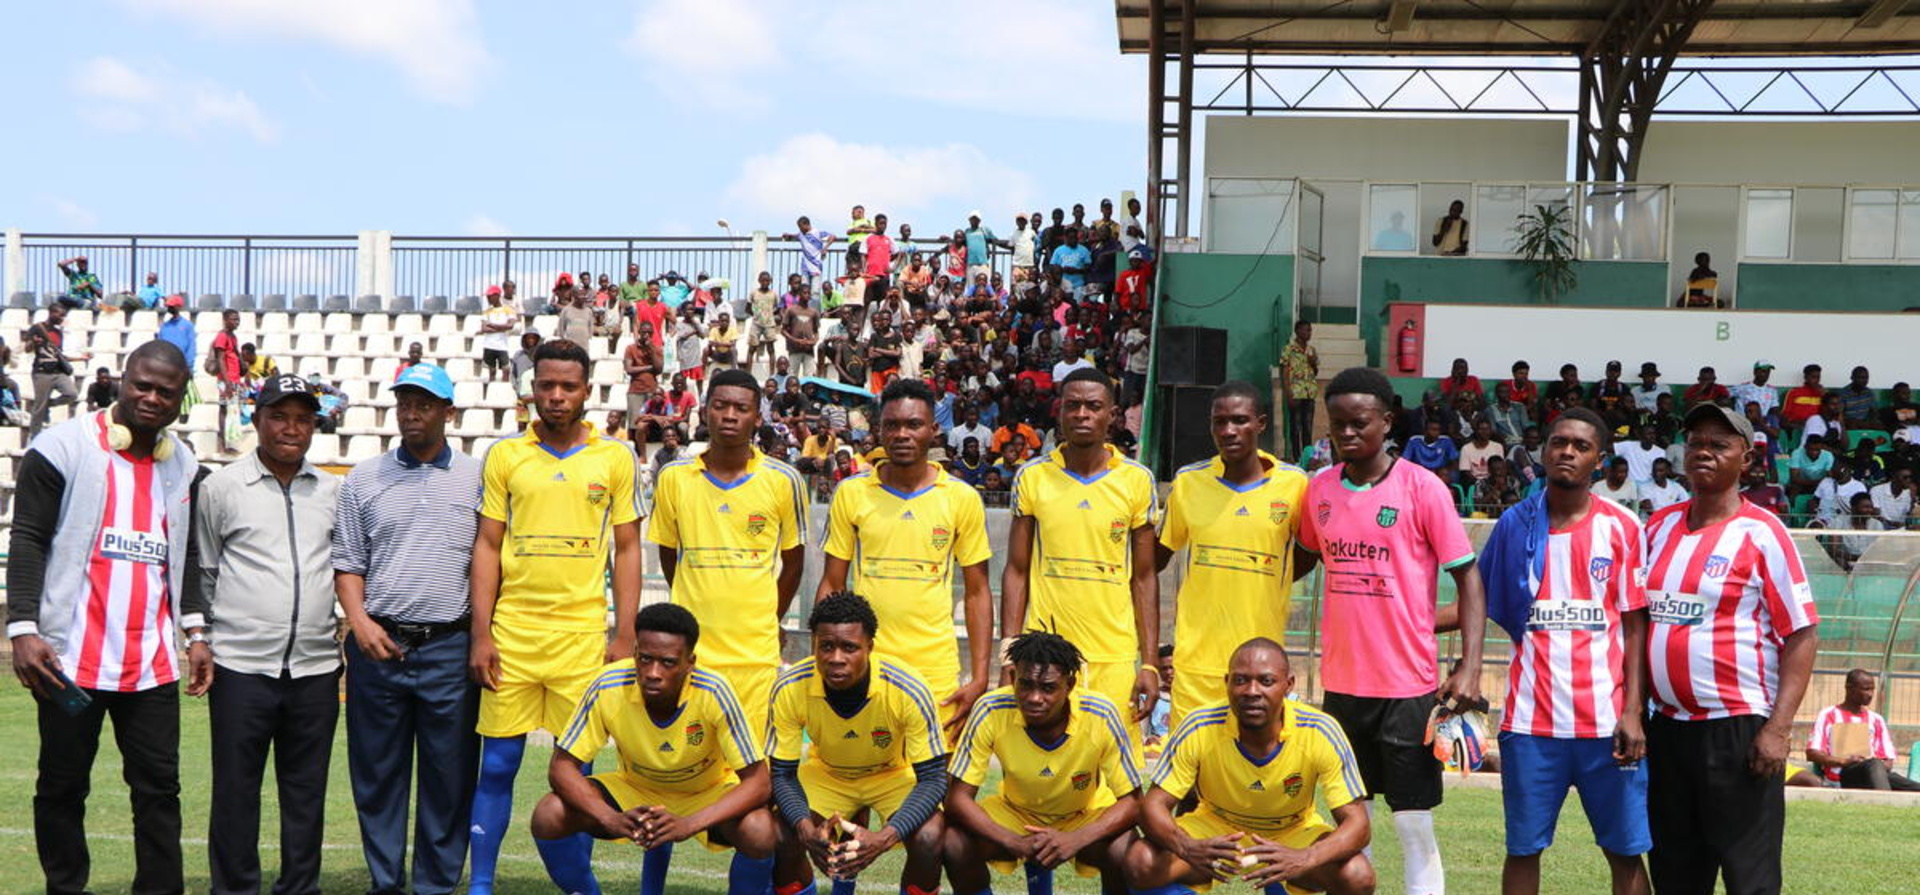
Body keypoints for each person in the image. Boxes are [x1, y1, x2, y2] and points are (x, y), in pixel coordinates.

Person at [8, 341, 202, 895]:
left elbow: (185, 554)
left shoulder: (183, 464)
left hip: (151, 663)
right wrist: (23, 627)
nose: (152, 397)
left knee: (159, 791)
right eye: (142, 384)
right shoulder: (63, 446)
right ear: (122, 379)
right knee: (63, 789)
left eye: (166, 391)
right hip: (69, 659)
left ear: (179, 398)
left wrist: (194, 630)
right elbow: (27, 539)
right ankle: (66, 887)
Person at [1296, 367, 1486, 895]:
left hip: (1407, 686)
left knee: (1412, 823)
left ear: (1386, 422)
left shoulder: (1423, 489)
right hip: (1341, 685)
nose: (1348, 434)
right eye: (1338, 425)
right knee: (1352, 823)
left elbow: (1468, 577)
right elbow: (1303, 559)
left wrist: (1469, 667)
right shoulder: (1320, 491)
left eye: (1359, 423)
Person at [466, 338, 644, 895]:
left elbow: (629, 549)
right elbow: (488, 547)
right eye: (547, 385)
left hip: (583, 639)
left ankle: (580, 884)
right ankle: (482, 884)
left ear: (587, 390)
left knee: (579, 777)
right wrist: (481, 634)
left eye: (569, 386)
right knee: (497, 765)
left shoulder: (615, 457)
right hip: (513, 635)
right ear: (531, 389)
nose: (557, 395)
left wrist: (626, 633)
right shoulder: (505, 455)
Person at [1643, 403, 1819, 895]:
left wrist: (1778, 730)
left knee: (1749, 877)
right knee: (1676, 872)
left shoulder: (1763, 533)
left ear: (1746, 460)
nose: (1704, 451)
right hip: (1669, 731)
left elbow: (1802, 634)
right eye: (1696, 441)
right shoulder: (1656, 528)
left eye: (1719, 445)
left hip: (1739, 729)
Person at [1472, 408, 1651, 895]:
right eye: (1558, 442)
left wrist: (1633, 711)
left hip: (1606, 724)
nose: (1567, 451)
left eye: (1580, 445)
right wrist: (1410, 622)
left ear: (1598, 460)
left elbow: (1635, 624)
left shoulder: (1623, 527)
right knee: (1524, 849)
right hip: (1531, 725)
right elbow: (1478, 600)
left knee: (1626, 851)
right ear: (1544, 451)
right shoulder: (1515, 523)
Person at [332, 363, 482, 895]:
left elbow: (485, 562)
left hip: (449, 646)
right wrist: (360, 622)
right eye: (405, 403)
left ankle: (437, 886)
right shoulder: (363, 479)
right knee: (378, 775)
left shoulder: (477, 477)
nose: (411, 413)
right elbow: (348, 564)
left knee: (449, 777)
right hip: (379, 645)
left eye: (424, 404)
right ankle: (385, 883)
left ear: (449, 412)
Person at [195, 373, 341, 895]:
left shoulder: (332, 491)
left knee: (306, 793)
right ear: (257, 419)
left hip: (316, 669)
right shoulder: (221, 487)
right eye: (279, 416)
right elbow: (206, 570)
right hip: (240, 667)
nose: (291, 428)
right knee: (236, 791)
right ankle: (234, 888)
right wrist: (202, 639)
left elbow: (343, 569)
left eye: (303, 419)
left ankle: (300, 888)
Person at [531, 603, 779, 895]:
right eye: (645, 658)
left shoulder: (715, 691)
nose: (653, 672)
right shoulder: (607, 684)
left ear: (690, 662)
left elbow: (759, 782)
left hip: (705, 792)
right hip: (634, 790)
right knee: (549, 814)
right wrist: (609, 817)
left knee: (760, 831)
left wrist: (688, 824)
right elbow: (561, 766)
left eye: (668, 662)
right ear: (635, 653)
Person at [1123, 638, 1375, 895]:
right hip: (1217, 830)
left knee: (1357, 876)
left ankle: (1284, 884)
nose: (1251, 691)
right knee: (1142, 862)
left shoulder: (1320, 730)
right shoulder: (1199, 725)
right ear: (1227, 684)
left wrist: (1305, 857)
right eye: (1241, 680)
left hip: (1293, 832)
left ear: (1288, 685)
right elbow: (1153, 805)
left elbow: (1358, 824)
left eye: (1266, 681)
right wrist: (1187, 847)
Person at [819, 378, 993, 732]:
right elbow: (832, 583)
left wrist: (979, 677)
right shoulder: (851, 493)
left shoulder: (960, 498)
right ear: (879, 430)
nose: (902, 434)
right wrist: (822, 658)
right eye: (892, 425)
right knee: (862, 775)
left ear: (934, 430)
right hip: (865, 664)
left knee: (933, 782)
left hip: (934, 669)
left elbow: (977, 592)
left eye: (913, 424)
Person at [1003, 368, 1161, 737]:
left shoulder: (1137, 480)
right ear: (1059, 412)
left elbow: (1144, 576)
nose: (1082, 414)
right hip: (1045, 655)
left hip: (1114, 656)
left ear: (1112, 414)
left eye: (1093, 406)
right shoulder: (1032, 476)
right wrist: (1008, 652)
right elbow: (1016, 570)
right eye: (1072, 405)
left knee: (1114, 781)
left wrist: (1150, 664)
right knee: (1040, 772)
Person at [651, 368, 807, 738]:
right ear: (705, 411)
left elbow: (794, 564)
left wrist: (769, 618)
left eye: (741, 408)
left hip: (753, 653)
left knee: (750, 768)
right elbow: (669, 555)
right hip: (691, 651)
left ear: (757, 416)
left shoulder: (784, 480)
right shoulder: (674, 477)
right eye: (721, 406)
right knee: (687, 761)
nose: (730, 416)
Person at [1156, 380, 1313, 731]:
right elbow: (1156, 559)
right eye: (1219, 421)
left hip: (1261, 666)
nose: (1228, 430)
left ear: (1259, 423)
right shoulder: (1189, 482)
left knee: (1255, 771)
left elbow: (1309, 555)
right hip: (1196, 662)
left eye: (1240, 420)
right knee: (1191, 775)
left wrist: (1270, 579)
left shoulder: (1294, 485)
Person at [769, 592, 948, 895]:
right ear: (814, 644)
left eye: (849, 647)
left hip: (890, 774)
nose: (836, 658)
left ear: (870, 647)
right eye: (826, 646)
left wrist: (885, 837)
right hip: (827, 773)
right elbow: (782, 774)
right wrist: (804, 828)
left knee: (930, 837)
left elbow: (932, 779)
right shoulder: (789, 687)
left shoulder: (908, 687)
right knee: (781, 834)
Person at [944, 632, 1143, 894]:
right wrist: (1013, 841)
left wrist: (1075, 839)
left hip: (1080, 818)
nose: (1035, 697)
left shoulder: (1100, 713)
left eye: (1048, 688)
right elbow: (957, 799)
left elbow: (1134, 801)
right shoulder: (990, 709)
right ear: (1013, 678)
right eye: (1025, 685)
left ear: (1069, 685)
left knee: (1125, 847)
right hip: (1014, 815)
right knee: (953, 842)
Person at [1805, 669, 1918, 791]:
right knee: (1875, 765)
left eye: (1872, 689)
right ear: (1849, 688)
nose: (1870, 694)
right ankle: (1884, 803)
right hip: (1843, 775)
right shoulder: (1828, 715)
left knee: (1894, 777)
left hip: (1873, 773)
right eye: (1866, 689)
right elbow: (1812, 753)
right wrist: (1844, 761)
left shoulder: (1876, 719)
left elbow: (1888, 761)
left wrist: (1872, 765)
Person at [24, 303, 87, 439]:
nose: (61, 318)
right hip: (42, 372)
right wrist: (34, 342)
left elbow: (58, 355)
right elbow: (27, 349)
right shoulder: (37, 328)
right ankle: (34, 436)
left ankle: (49, 404)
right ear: (51, 312)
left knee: (71, 394)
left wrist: (80, 358)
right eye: (60, 314)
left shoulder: (58, 333)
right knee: (39, 408)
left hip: (58, 371)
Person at [1279, 320, 1320, 462]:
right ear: (1297, 331)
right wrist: (1288, 393)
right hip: (1295, 393)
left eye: (1310, 330)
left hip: (1309, 393)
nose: (1308, 333)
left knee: (1307, 427)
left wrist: (1312, 362)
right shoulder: (1288, 349)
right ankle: (1296, 458)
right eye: (1306, 330)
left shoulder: (1312, 350)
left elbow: (1315, 372)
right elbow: (1284, 372)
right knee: (1295, 427)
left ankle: (1307, 458)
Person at [210, 308, 244, 453]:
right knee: (225, 410)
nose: (237, 322)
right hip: (227, 380)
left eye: (238, 319)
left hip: (234, 379)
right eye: (234, 319)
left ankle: (229, 443)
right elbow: (221, 359)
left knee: (232, 411)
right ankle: (223, 444)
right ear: (225, 320)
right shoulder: (222, 337)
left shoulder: (233, 337)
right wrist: (227, 382)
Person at [783, 216, 837, 291]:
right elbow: (794, 236)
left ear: (806, 225)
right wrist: (788, 235)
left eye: (800, 227)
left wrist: (825, 248)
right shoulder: (801, 235)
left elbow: (833, 236)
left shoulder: (817, 233)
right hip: (805, 266)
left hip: (816, 266)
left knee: (815, 291)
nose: (800, 229)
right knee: (804, 289)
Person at [479, 285, 519, 384]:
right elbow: (484, 328)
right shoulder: (487, 311)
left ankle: (503, 389)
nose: (488, 298)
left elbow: (510, 325)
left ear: (497, 296)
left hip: (502, 345)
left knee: (505, 369)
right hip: (489, 344)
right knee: (491, 370)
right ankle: (492, 389)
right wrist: (501, 328)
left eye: (490, 296)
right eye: (487, 296)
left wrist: (493, 325)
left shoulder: (508, 310)